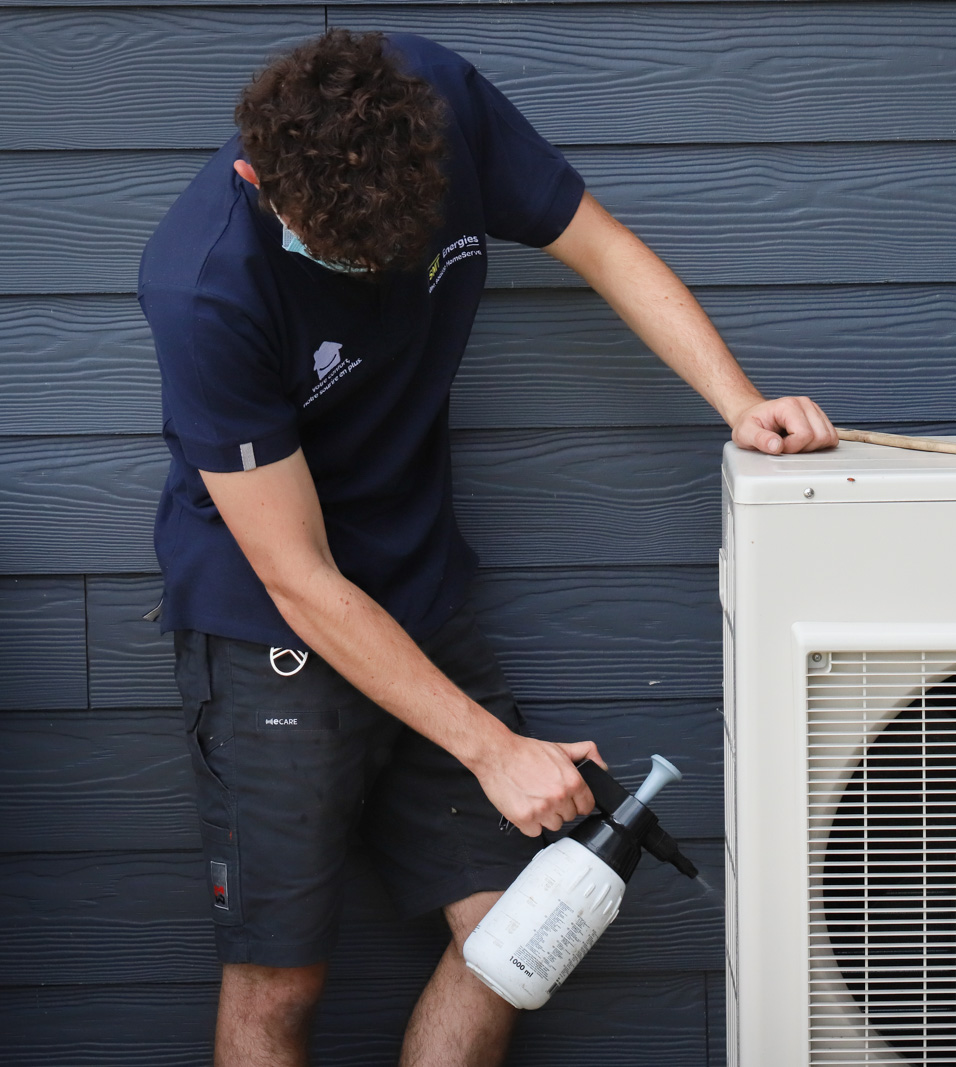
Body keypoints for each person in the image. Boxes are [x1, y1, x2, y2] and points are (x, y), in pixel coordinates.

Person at [138, 29, 836, 1067]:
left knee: (515, 926)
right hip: (268, 633)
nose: (365, 278)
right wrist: (494, 749)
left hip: (418, 585)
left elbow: (598, 244)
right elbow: (297, 574)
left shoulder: (442, 103)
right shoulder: (205, 287)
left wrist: (737, 403)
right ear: (256, 175)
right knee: (280, 978)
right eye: (337, 256)